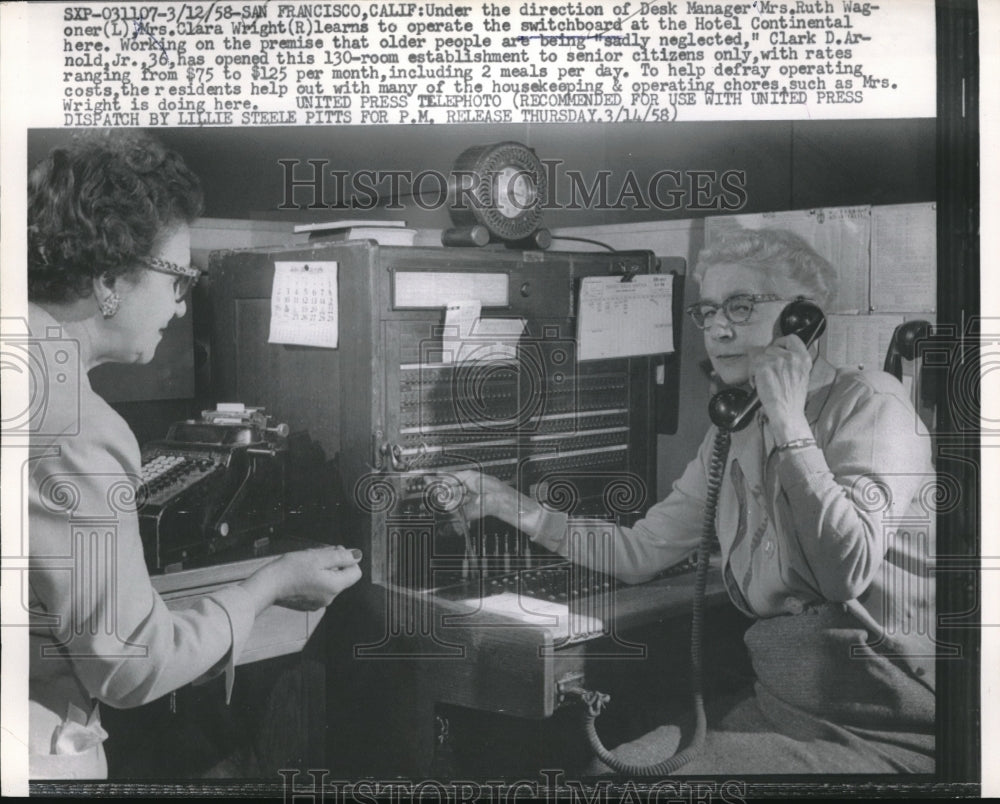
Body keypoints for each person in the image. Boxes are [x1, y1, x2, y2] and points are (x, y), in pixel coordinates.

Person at [450, 228, 936, 773]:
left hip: (881, 728)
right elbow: (643, 551)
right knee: (602, 769)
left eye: (741, 306)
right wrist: (510, 504)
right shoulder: (733, 429)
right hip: (781, 710)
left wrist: (789, 421)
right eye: (707, 312)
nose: (718, 329)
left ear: (804, 320)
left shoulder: (874, 404)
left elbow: (843, 571)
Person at [25, 130, 363, 780]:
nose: (181, 307)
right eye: (178, 278)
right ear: (105, 282)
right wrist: (268, 586)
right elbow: (131, 665)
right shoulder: (78, 425)